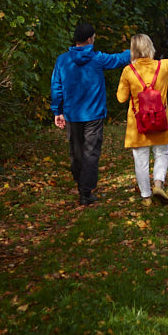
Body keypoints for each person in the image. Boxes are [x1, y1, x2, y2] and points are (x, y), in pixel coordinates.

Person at [50, 22, 131, 207]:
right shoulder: (97, 59)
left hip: (72, 114)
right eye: (93, 37)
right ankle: (85, 192)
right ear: (89, 39)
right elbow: (119, 59)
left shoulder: (63, 60)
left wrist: (57, 111)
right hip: (93, 114)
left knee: (76, 152)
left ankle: (81, 184)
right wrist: (133, 49)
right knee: (91, 153)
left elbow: (56, 87)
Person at [116, 34, 168, 207]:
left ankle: (146, 197)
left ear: (133, 50)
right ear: (150, 47)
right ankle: (158, 185)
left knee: (141, 160)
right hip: (161, 121)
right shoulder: (162, 66)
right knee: (161, 153)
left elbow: (121, 98)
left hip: (138, 125)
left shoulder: (128, 71)